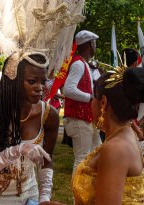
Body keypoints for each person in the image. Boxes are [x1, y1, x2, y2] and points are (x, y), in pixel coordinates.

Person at [0, 53, 59, 204]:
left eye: (43, 81)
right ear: (14, 80)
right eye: (32, 81)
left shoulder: (49, 114)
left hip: (27, 192)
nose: (40, 88)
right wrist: (19, 149)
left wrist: (44, 198)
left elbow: (47, 160)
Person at [48, 67, 144, 205]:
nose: (91, 102)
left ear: (103, 103)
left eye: (93, 97)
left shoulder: (115, 149)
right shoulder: (125, 136)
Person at [63, 30, 101, 172]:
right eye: (94, 43)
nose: (95, 46)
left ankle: (89, 189)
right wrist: (90, 98)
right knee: (82, 158)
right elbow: (68, 89)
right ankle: (77, 194)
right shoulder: (79, 64)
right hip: (79, 119)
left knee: (96, 153)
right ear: (90, 44)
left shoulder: (83, 63)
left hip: (86, 117)